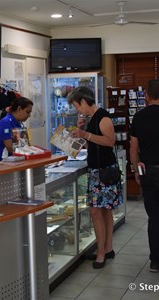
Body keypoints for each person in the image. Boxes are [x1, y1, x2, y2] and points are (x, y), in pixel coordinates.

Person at [67, 86, 123, 269]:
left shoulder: (103, 117)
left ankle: (101, 252)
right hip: (97, 170)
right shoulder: (92, 119)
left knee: (97, 211)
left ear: (83, 101)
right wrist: (81, 133)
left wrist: (85, 134)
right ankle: (107, 248)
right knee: (104, 211)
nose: (77, 110)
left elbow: (109, 141)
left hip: (104, 171)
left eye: (76, 106)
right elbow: (92, 145)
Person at [130, 79, 159, 273]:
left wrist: (136, 171)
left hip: (149, 171)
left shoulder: (139, 117)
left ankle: (155, 260)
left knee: (154, 217)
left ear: (146, 96)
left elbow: (134, 149)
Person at [0, 97, 33, 162]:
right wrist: (30, 152)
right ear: (19, 109)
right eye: (28, 112)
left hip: (17, 162)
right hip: (4, 164)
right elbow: (11, 148)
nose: (29, 115)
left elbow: (24, 144)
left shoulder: (19, 123)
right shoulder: (5, 123)